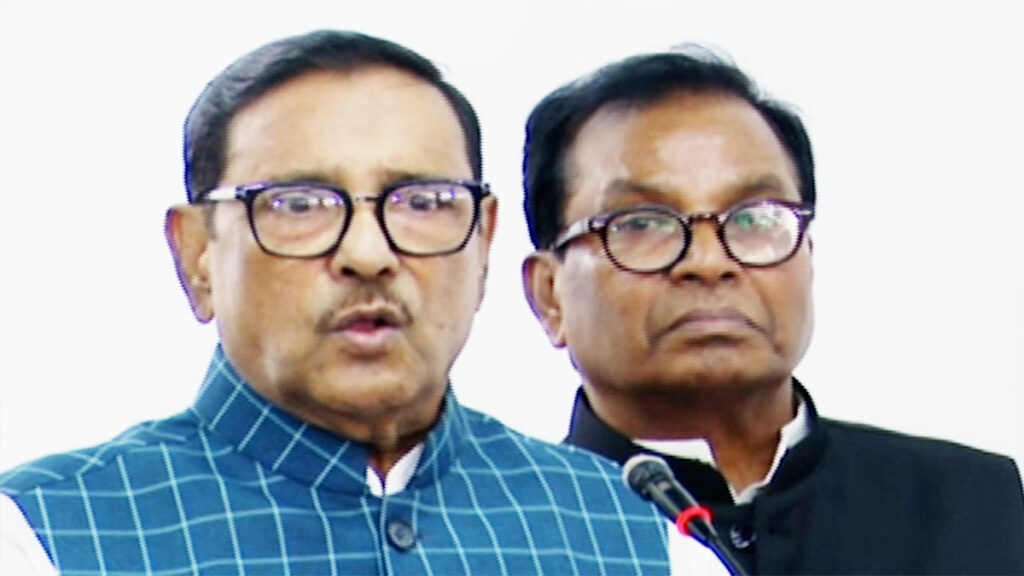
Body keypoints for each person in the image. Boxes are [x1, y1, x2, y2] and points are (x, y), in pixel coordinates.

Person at [0, 30, 682, 575]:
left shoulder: (641, 537)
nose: (368, 253)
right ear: (198, 254)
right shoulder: (43, 536)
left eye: (422, 202)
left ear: (483, 245)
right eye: (299, 204)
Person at [521, 46, 1024, 575]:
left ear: (807, 256)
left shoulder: (973, 505)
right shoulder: (504, 542)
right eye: (643, 223)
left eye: (754, 219)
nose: (709, 262)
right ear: (550, 295)